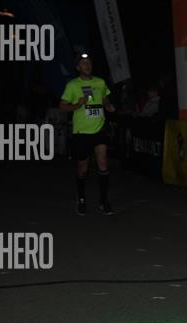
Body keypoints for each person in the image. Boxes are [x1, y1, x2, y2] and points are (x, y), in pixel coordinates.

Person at [59, 53, 116, 215]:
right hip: (81, 132)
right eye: (84, 63)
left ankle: (104, 201)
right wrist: (77, 105)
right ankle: (81, 198)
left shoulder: (100, 82)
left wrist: (108, 105)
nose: (87, 65)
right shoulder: (72, 85)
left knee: (103, 163)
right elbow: (62, 106)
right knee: (83, 169)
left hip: (99, 129)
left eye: (89, 62)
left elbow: (104, 97)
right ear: (78, 68)